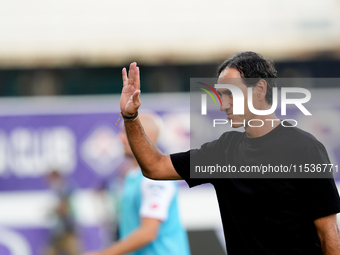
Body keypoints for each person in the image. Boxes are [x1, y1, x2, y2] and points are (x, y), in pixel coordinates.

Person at [118, 52, 340, 255]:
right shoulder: (222, 151)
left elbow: (328, 232)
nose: (223, 105)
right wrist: (131, 117)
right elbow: (155, 166)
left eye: (230, 94)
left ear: (260, 89)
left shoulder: (304, 149)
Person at [84, 113, 190, 255]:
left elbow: (148, 232)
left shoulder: (156, 179)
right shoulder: (133, 177)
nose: (120, 138)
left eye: (126, 132)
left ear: (147, 137)